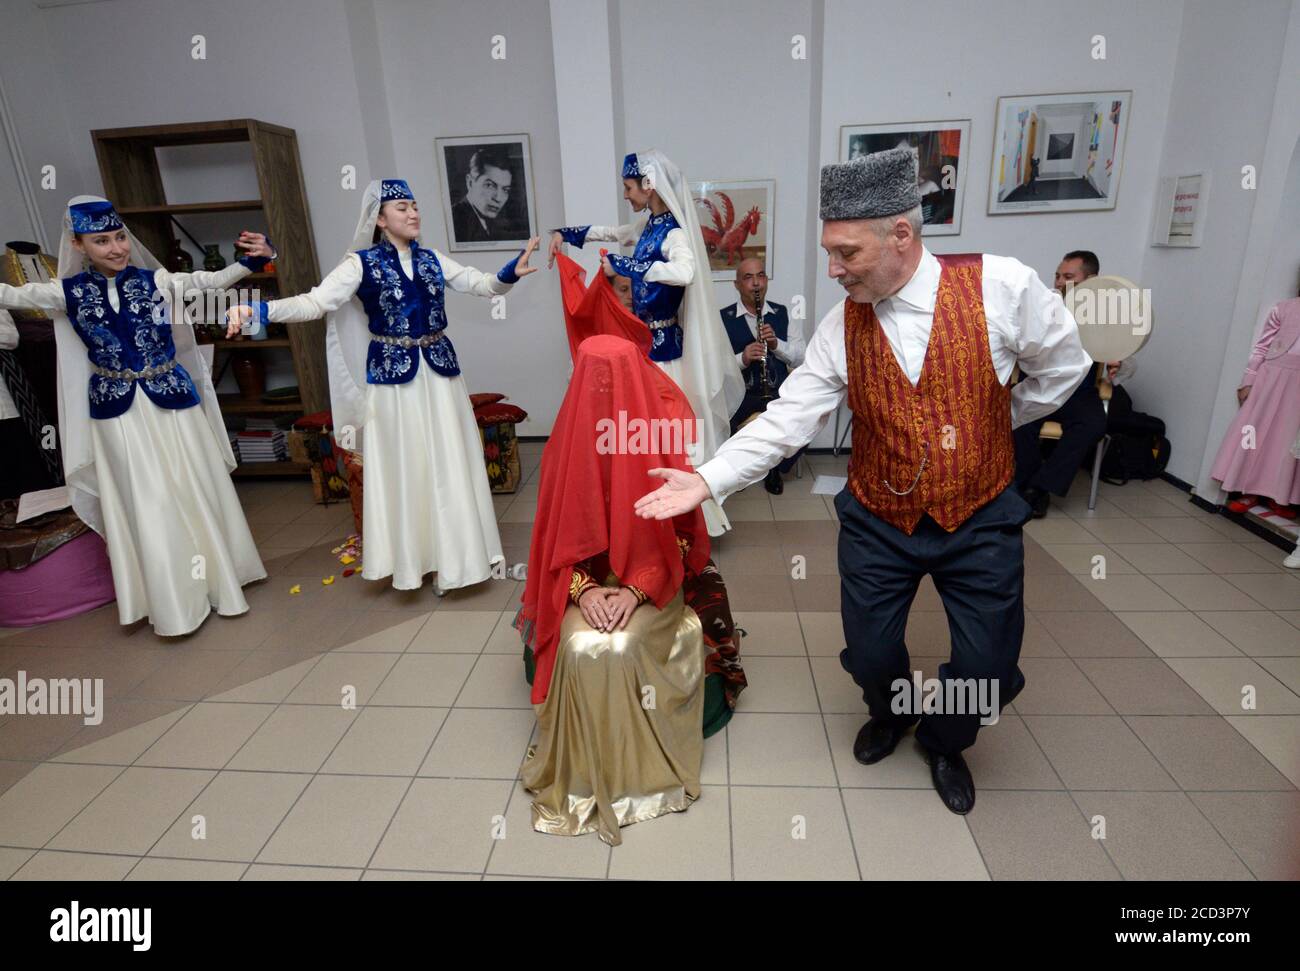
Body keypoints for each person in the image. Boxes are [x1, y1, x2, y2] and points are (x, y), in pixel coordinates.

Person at [634, 146, 1092, 815]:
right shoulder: (839, 328)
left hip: (983, 513)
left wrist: (1006, 416)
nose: (832, 268)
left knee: (988, 668)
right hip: (880, 516)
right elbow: (789, 416)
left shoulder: (1004, 288)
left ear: (900, 235)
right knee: (872, 654)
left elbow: (1064, 364)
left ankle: (942, 738)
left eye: (845, 252)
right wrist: (709, 478)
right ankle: (891, 709)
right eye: (829, 251)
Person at [227, 179, 539, 592]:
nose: (412, 214)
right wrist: (259, 309)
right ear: (379, 218)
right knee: (406, 464)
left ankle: (459, 559)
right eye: (401, 208)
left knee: (449, 460)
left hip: (441, 375)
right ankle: (414, 560)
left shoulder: (432, 260)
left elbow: (479, 285)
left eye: (415, 206)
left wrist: (507, 275)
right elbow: (315, 302)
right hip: (394, 381)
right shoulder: (360, 264)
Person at [0, 196, 270, 635]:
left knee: (190, 484)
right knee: (145, 498)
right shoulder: (65, 292)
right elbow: (9, 293)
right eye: (101, 241)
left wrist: (255, 261)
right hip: (116, 411)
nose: (116, 248)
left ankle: (219, 578)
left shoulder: (156, 280)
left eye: (120, 236)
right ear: (78, 244)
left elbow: (209, 281)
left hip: (171, 400)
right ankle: (170, 597)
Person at [515, 334, 744, 845]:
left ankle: (638, 777)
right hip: (587, 584)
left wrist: (636, 591)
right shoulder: (562, 448)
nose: (605, 390)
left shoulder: (656, 442)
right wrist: (585, 589)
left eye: (614, 378)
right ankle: (583, 779)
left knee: (623, 645)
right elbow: (553, 544)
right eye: (594, 378)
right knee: (581, 646)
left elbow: (685, 542)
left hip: (653, 579)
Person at [546, 150, 744, 536]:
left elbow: (684, 271)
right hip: (641, 345)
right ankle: (648, 510)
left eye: (628, 186)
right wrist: (564, 234)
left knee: (668, 431)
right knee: (641, 433)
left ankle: (685, 519)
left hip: (665, 351)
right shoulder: (648, 224)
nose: (625, 193)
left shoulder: (673, 232)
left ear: (648, 185)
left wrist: (627, 266)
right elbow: (612, 233)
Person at [1014, 250, 1136, 517]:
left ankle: (1039, 487)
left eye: (1068, 277)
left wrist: (1119, 365)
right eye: (1057, 275)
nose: (1058, 282)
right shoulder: (1041, 305)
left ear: (1091, 279)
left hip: (1078, 392)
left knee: (1093, 424)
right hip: (1039, 384)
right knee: (1015, 418)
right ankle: (1025, 482)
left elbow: (1127, 361)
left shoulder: (1105, 316)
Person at [1210, 288, 1300, 519]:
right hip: (1272, 377)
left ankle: (1278, 495)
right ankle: (1246, 489)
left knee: (1287, 441)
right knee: (1255, 434)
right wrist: (1248, 380)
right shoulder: (1284, 308)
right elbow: (1261, 346)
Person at [720, 257, 807, 494]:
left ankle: (775, 468)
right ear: (736, 284)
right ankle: (735, 469)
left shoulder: (782, 314)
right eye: (748, 278)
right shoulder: (722, 318)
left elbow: (801, 358)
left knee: (806, 418)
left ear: (766, 280)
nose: (756, 283)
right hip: (741, 393)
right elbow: (715, 366)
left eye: (760, 276)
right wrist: (743, 358)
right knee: (716, 421)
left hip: (778, 391)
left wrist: (776, 344)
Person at [450, 148, 524, 243]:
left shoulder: (491, 221)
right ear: (470, 183)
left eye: (505, 190)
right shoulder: (455, 220)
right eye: (489, 185)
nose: (498, 198)